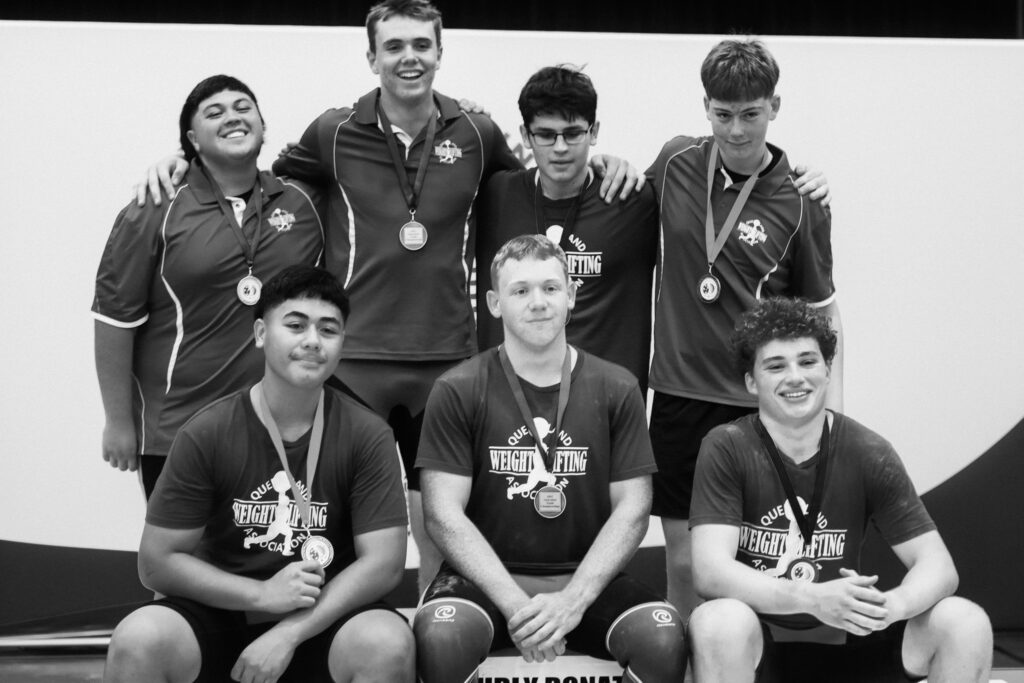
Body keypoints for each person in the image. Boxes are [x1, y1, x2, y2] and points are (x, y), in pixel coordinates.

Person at [134, 0, 640, 592]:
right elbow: (254, 175)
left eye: (422, 45)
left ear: (440, 53)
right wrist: (188, 161)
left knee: (441, 526)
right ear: (372, 57)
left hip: (446, 363)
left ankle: (438, 626)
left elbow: (538, 178)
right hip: (356, 365)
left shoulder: (476, 133)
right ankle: (343, 632)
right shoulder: (333, 131)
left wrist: (602, 161)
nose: (409, 57)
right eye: (394, 46)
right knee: (348, 523)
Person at [103, 265, 413, 683]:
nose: (312, 340)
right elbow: (156, 563)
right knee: (138, 639)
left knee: (386, 642)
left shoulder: (368, 434)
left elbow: (384, 564)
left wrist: (288, 633)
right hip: (223, 615)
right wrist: (262, 594)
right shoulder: (208, 431)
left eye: (328, 329)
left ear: (342, 342)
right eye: (295, 325)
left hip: (322, 620)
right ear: (261, 333)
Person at [413, 235, 687, 682]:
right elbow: (442, 515)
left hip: (586, 578)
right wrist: (518, 608)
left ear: (571, 295)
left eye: (550, 288)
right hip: (484, 580)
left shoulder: (617, 387)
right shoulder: (457, 388)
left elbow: (634, 509)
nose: (538, 302)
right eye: (520, 290)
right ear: (494, 303)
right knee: (443, 636)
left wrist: (572, 602)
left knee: (661, 637)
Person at [687, 297, 992, 683]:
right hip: (762, 647)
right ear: (751, 381)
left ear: (828, 370)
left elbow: (939, 567)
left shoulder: (868, 451)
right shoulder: (727, 446)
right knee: (716, 621)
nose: (795, 377)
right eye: (776, 366)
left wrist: (890, 606)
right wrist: (813, 598)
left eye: (807, 362)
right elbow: (710, 571)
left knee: (964, 621)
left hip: (852, 641)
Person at [645, 38, 843, 615]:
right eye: (723, 114)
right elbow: (619, 195)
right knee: (685, 562)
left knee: (755, 562)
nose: (736, 130)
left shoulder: (803, 201)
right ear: (705, 107)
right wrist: (608, 163)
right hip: (679, 397)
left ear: (774, 107)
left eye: (751, 114)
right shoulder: (675, 161)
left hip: (756, 405)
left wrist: (828, 415)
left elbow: (822, 316)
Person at [93, 75, 324, 497]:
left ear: (262, 126)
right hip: (177, 429)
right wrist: (119, 421)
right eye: (214, 113)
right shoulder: (153, 208)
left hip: (280, 428)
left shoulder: (304, 202)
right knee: (176, 541)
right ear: (192, 140)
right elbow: (114, 320)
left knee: (269, 539)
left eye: (243, 108)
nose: (232, 117)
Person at [475, 65, 658, 394]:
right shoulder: (494, 195)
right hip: (510, 401)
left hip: (604, 402)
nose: (560, 147)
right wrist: (463, 111)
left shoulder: (632, 200)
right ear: (525, 135)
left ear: (594, 131)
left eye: (573, 133)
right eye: (546, 135)